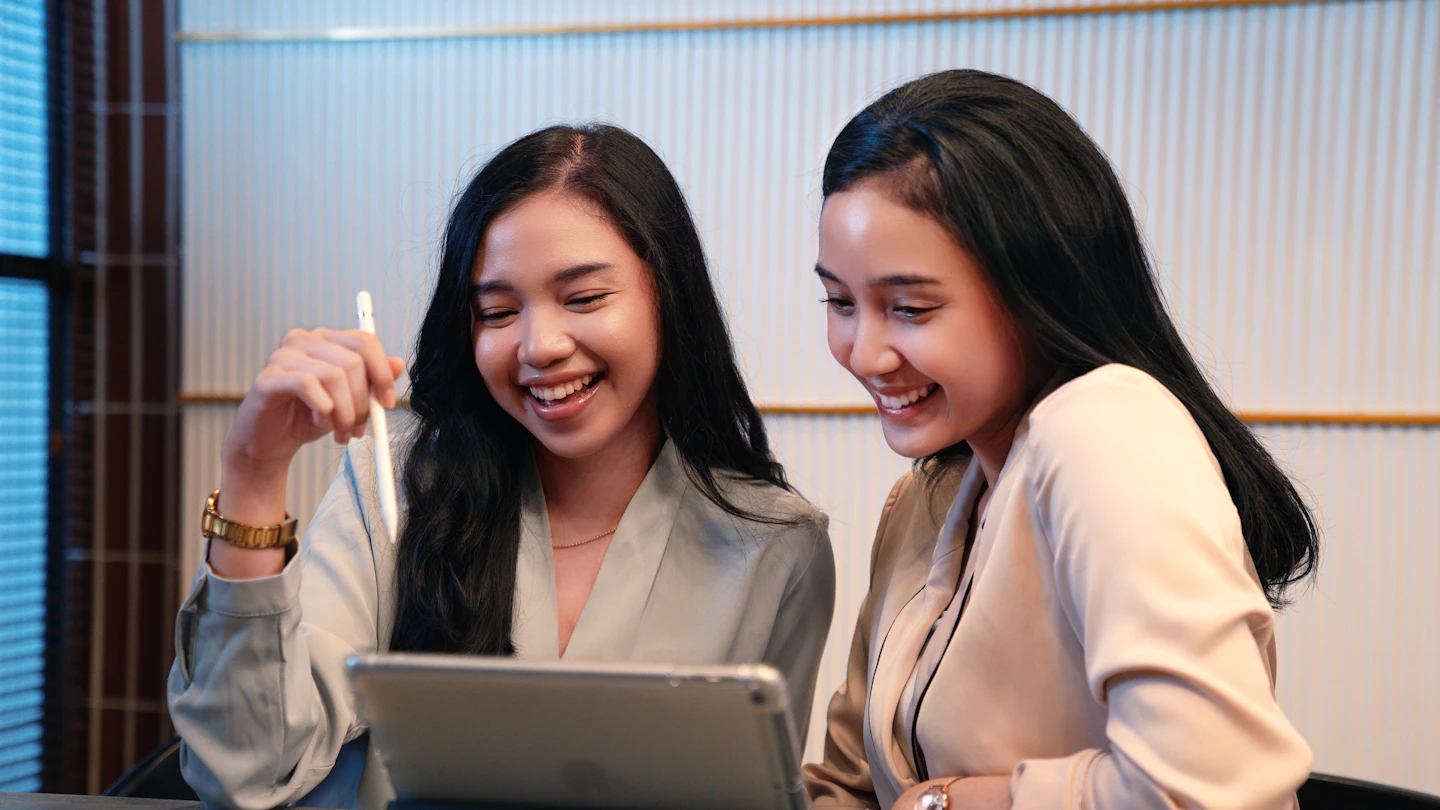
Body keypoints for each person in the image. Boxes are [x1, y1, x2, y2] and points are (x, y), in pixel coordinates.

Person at [168, 124, 835, 810]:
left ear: (669, 296)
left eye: (583, 299)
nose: (539, 346)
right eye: (497, 310)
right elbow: (245, 768)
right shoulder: (396, 479)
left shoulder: (773, 547)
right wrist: (252, 473)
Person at [803, 70, 1317, 810]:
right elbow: (852, 785)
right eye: (840, 302)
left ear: (1037, 291)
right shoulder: (926, 499)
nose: (864, 351)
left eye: (910, 307)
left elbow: (1206, 789)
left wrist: (951, 801)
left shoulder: (1107, 427)